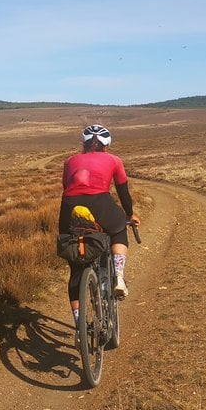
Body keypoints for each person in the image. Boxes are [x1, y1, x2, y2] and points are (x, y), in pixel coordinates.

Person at [59, 124, 141, 322]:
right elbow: (123, 191)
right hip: (101, 203)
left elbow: (66, 186)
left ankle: (79, 325)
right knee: (119, 227)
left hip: (69, 208)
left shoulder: (69, 161)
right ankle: (118, 276)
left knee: (76, 265)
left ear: (84, 142)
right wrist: (130, 214)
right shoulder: (114, 160)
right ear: (107, 144)